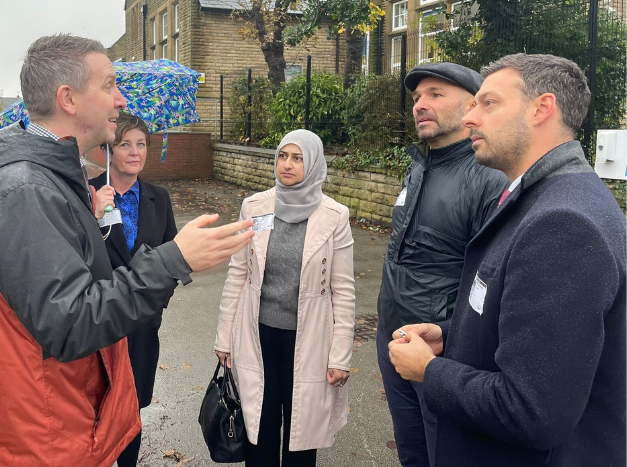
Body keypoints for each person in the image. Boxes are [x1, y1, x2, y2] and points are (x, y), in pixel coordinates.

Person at [0, 35, 253, 467]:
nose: (121, 98)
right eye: (109, 85)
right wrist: (173, 260)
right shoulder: (26, 191)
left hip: (64, 417)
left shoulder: (51, 180)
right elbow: (70, 322)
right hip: (45, 434)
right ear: (68, 98)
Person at [389, 54, 626, 467]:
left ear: (542, 108)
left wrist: (430, 372)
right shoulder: (543, 197)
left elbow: (532, 410)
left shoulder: (563, 222)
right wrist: (451, 335)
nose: (470, 118)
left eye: (489, 103)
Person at [376, 62, 508, 466]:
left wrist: (451, 339)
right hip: (393, 335)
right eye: (417, 98)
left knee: (446, 452)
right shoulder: (418, 166)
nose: (420, 104)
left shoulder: (490, 178)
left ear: (472, 106)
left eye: (436, 94)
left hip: (441, 347)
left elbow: (493, 275)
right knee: (412, 450)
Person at [214, 129, 355, 467]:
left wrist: (340, 357)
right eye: (282, 156)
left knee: (301, 433)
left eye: (297, 158)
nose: (286, 165)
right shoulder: (255, 206)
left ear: (315, 163)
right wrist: (224, 338)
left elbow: (344, 291)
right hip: (257, 335)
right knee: (258, 429)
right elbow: (238, 273)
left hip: (309, 341)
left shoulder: (335, 216)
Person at [90, 113, 176, 467]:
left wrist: (155, 303)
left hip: (142, 323)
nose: (135, 152)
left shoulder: (159, 198)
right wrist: (94, 214)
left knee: (132, 407)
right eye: (125, 144)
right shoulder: (88, 192)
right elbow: (74, 255)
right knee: (96, 404)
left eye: (141, 144)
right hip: (98, 322)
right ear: (109, 150)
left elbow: (171, 256)